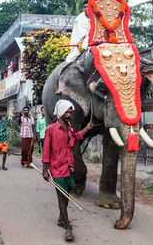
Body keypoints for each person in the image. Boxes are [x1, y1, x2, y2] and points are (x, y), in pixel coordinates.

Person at [42, 99, 93, 242]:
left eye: (70, 111)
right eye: (67, 111)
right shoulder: (50, 129)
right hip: (56, 168)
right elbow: (46, 150)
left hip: (69, 166)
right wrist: (45, 169)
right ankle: (68, 227)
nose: (70, 113)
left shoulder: (70, 128)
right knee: (61, 196)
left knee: (67, 194)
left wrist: (87, 128)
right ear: (60, 113)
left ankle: (60, 219)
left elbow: (76, 138)